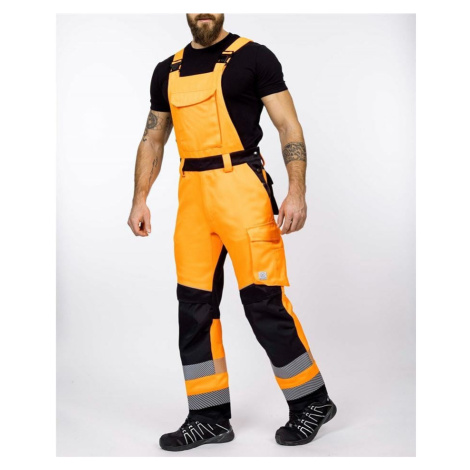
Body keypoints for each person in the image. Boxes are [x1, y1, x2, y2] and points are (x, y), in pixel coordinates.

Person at [127, 13, 337, 452]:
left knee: (263, 303)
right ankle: (208, 418)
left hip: (242, 185)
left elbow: (288, 126)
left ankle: (312, 401)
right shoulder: (167, 70)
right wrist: (139, 198)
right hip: (193, 195)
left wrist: (296, 192)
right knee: (194, 307)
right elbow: (153, 138)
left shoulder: (254, 57)